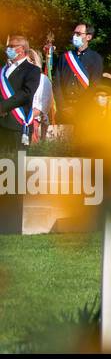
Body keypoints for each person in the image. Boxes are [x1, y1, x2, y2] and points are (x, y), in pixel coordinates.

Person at [0, 36, 41, 231]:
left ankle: (12, 221)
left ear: (22, 49)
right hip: (1, 126)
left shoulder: (32, 71)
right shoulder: (3, 69)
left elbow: (26, 93)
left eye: (11, 46)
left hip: (17, 126)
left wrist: (2, 106)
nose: (7, 49)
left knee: (14, 172)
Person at [52, 21, 103, 127]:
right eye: (74, 33)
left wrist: (78, 108)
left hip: (85, 110)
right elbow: (57, 84)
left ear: (88, 37)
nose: (74, 36)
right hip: (64, 110)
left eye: (78, 34)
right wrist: (63, 106)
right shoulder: (64, 57)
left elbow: (94, 86)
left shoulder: (96, 58)